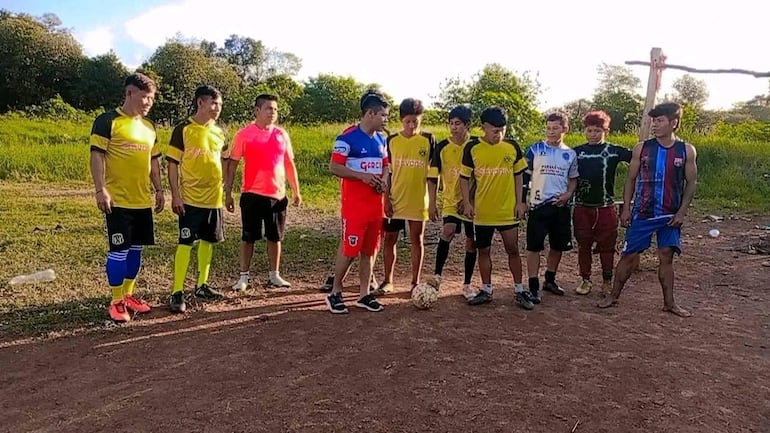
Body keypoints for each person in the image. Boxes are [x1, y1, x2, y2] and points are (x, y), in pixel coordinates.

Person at [598, 102, 697, 317]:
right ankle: (613, 296)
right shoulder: (642, 148)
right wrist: (626, 209)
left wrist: (682, 212)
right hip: (643, 213)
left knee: (666, 257)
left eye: (660, 120)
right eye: (654, 120)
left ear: (674, 123)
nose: (655, 125)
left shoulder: (686, 150)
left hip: (670, 215)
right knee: (629, 255)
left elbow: (691, 183)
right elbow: (630, 180)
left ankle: (669, 303)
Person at [88, 72, 164, 323]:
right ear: (130, 93)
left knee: (136, 251)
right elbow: (97, 156)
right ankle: (116, 301)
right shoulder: (107, 121)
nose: (149, 102)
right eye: (145, 97)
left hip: (142, 201)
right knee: (119, 250)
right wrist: (101, 190)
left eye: (151, 98)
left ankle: (129, 295)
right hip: (117, 201)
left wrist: (160, 189)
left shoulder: (149, 127)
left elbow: (154, 162)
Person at [225, 94, 302, 291]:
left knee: (275, 237)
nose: (272, 112)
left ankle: (274, 275)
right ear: (257, 110)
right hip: (251, 193)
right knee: (248, 236)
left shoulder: (281, 134)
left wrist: (296, 190)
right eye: (268, 108)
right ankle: (243, 277)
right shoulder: (244, 134)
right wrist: (227, 192)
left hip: (277, 195)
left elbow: (289, 163)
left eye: (275, 109)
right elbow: (232, 164)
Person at [459, 106, 531, 309]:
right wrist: (467, 203)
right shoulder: (472, 148)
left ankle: (519, 290)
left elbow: (520, 176)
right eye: (494, 130)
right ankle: (487, 289)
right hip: (483, 212)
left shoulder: (512, 147)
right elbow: (464, 178)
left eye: (502, 129)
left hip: (507, 211)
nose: (498, 134)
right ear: (484, 127)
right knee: (483, 250)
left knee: (513, 249)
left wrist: (520, 201)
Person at [325, 91, 390, 314]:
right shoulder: (347, 137)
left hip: (375, 207)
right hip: (354, 207)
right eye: (383, 115)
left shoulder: (382, 139)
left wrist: (383, 181)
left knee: (370, 251)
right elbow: (334, 167)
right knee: (350, 249)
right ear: (370, 113)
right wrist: (362, 176)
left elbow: (386, 166)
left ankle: (364, 294)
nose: (386, 120)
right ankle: (335, 291)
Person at [166, 85, 229, 313]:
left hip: (214, 199)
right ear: (200, 102)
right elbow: (172, 164)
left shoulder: (220, 131)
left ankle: (202, 285)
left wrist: (227, 189)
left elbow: (225, 160)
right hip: (190, 199)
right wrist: (176, 195)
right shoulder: (183, 129)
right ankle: (177, 291)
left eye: (220, 105)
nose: (217, 109)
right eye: (213, 104)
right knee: (185, 243)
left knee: (208, 241)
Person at [377, 98, 436, 294]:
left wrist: (433, 200)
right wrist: (386, 199)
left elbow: (433, 174)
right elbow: (388, 172)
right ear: (402, 120)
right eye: (407, 121)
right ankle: (387, 281)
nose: (411, 126)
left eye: (415, 121)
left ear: (421, 119)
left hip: (418, 200)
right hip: (395, 199)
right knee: (389, 240)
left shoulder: (428, 140)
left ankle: (414, 282)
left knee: (416, 240)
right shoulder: (392, 140)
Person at [572, 110, 632, 297]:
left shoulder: (614, 151)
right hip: (582, 206)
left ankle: (607, 280)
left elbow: (638, 157)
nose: (593, 134)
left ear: (605, 130)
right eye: (589, 131)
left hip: (606, 207)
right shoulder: (576, 152)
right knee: (583, 245)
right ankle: (585, 279)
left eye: (597, 130)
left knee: (607, 247)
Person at [524, 111, 579, 305]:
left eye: (555, 128)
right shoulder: (535, 149)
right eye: (548, 128)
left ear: (565, 129)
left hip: (560, 207)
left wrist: (568, 194)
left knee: (558, 246)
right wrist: (523, 200)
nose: (551, 132)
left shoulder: (570, 154)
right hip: (539, 206)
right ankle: (532, 286)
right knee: (534, 247)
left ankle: (550, 279)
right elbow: (524, 176)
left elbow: (573, 180)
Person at [427, 105, 478, 300]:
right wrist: (432, 203)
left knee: (471, 242)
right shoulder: (441, 147)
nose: (453, 127)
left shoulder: (475, 146)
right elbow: (433, 178)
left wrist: (468, 200)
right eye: (451, 123)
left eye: (458, 124)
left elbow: (479, 176)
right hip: (450, 200)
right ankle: (437, 276)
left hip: (472, 202)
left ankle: (467, 283)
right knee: (447, 231)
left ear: (467, 125)